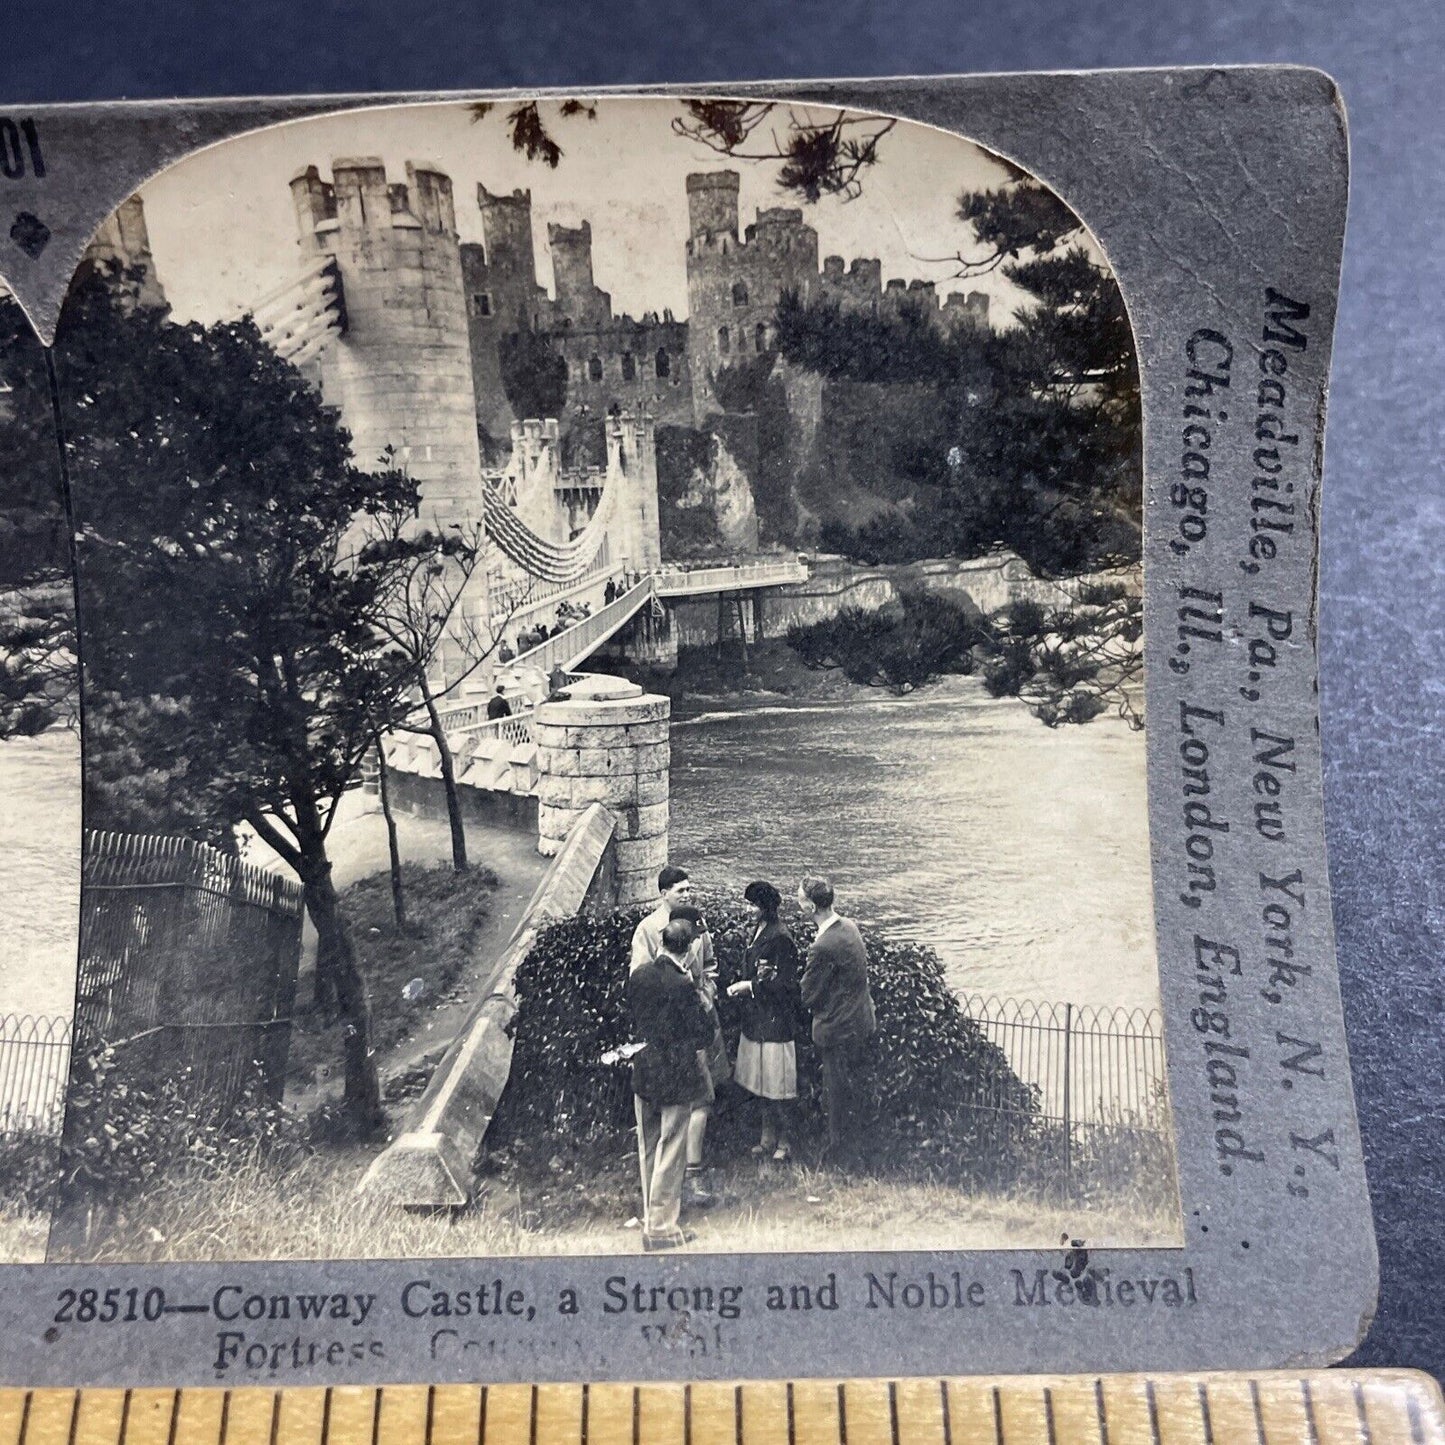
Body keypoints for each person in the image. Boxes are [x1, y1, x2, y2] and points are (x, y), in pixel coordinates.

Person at [626, 918, 715, 1252]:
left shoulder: (640, 976)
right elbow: (703, 1033)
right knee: (672, 1147)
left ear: (661, 942)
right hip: (675, 1071)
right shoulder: (682, 985)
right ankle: (662, 1228)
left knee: (648, 1146)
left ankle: (651, 1220)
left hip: (644, 1067)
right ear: (690, 947)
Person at [797, 876, 876, 1169]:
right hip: (859, 1021)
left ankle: (837, 1159)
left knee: (836, 1095)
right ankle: (854, 1153)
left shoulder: (822, 946)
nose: (798, 902)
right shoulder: (849, 927)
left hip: (837, 1028)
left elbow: (808, 994)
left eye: (801, 898)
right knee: (851, 1090)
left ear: (812, 907)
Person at [726, 880, 802, 1161]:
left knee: (778, 1086)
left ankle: (784, 1141)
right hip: (757, 1021)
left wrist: (750, 987)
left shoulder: (780, 937)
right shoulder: (759, 932)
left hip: (775, 1024)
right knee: (762, 1084)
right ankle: (767, 1137)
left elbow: (786, 985)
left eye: (750, 904)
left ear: (762, 907)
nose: (745, 909)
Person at [669, 902, 729, 1204]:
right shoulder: (653, 934)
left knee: (702, 1097)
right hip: (682, 1036)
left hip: (702, 1022)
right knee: (696, 1099)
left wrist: (707, 995)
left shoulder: (699, 935)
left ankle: (686, 1170)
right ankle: (688, 1174)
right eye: (679, 890)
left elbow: (710, 968)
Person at [630, 865, 692, 972]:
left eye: (688, 889)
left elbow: (709, 965)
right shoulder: (647, 929)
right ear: (664, 894)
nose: (686, 895)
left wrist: (707, 988)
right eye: (680, 891)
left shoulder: (696, 922)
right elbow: (639, 976)